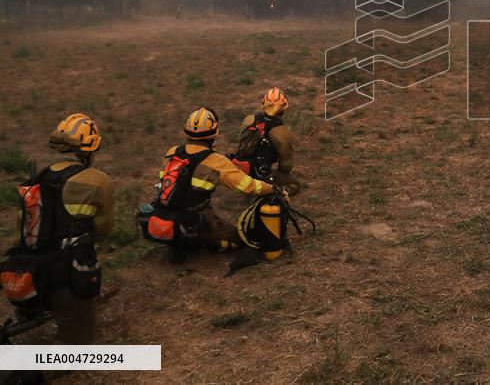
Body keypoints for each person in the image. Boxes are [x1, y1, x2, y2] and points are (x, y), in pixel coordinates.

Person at [1, 113, 113, 344]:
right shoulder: (97, 180)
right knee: (78, 347)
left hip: (30, 274)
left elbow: (21, 231)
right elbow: (104, 228)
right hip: (68, 277)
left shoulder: (37, 179)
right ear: (89, 150)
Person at [145, 107, 281, 261]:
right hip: (194, 221)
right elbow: (247, 186)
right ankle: (198, 241)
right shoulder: (215, 161)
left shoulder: (172, 152)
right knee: (238, 239)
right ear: (214, 134)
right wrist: (272, 189)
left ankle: (179, 241)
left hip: (163, 215)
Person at [233, 87, 302, 195]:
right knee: (294, 183)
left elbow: (240, 140)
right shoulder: (281, 132)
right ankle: (270, 194)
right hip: (259, 174)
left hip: (238, 169)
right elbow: (286, 165)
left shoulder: (250, 119)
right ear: (284, 107)